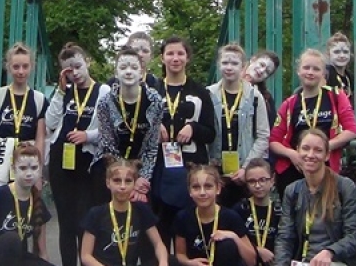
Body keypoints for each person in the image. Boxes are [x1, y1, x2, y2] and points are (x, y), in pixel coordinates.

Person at [45, 43, 110, 266]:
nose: (75, 73)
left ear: (87, 62)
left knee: (85, 221)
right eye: (69, 69)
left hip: (87, 164)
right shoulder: (65, 91)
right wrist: (60, 91)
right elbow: (50, 122)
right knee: (66, 222)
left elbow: (111, 129)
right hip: (61, 161)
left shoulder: (103, 91)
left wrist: (88, 135)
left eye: (78, 66)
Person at [274, 128, 356, 266]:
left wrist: (330, 252)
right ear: (297, 150)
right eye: (305, 148)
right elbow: (285, 237)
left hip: (338, 261)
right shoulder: (292, 191)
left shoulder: (344, 186)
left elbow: (355, 235)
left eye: (318, 150)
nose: (310, 155)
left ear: (327, 155)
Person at [152, 36, 216, 250]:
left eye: (180, 53)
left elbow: (211, 133)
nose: (175, 58)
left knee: (188, 230)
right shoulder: (152, 91)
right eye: (170, 53)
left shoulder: (200, 92)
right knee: (161, 229)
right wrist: (154, 127)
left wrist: (193, 128)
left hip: (191, 168)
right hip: (160, 169)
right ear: (162, 58)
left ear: (188, 58)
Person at [269, 48, 356, 200]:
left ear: (323, 74)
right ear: (298, 71)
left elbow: (352, 130)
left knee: (326, 210)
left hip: (326, 166)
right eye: (306, 68)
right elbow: (273, 141)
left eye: (316, 69)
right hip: (294, 169)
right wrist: (292, 154)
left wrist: (324, 148)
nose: (310, 72)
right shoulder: (290, 104)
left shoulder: (336, 97)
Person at [91, 47, 164, 204]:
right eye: (123, 67)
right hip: (110, 163)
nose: (129, 72)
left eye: (134, 67)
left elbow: (152, 146)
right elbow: (107, 144)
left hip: (142, 165)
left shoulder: (155, 101)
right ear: (116, 73)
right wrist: (127, 177)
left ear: (141, 72)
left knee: (144, 204)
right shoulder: (105, 102)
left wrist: (141, 178)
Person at [207, 43, 270, 207]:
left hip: (244, 171)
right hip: (216, 170)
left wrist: (247, 168)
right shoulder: (209, 94)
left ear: (243, 66)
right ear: (218, 64)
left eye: (234, 63)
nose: (229, 67)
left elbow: (263, 135)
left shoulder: (254, 96)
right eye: (225, 63)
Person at [80, 158, 169, 266]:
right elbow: (85, 255)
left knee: (172, 261)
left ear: (134, 183)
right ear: (108, 183)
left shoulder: (141, 210)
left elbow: (158, 243)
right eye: (117, 181)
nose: (122, 186)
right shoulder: (96, 214)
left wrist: (163, 262)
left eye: (128, 181)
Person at [0, 42, 48, 189]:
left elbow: (40, 139)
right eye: (16, 67)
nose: (21, 71)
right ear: (8, 67)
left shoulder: (39, 100)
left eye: (25, 66)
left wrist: (38, 175)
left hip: (27, 162)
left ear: (32, 67)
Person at [173, 164, 257, 266]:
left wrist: (234, 237)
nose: (202, 192)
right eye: (196, 187)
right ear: (190, 191)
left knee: (227, 245)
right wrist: (189, 263)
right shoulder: (183, 217)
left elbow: (251, 261)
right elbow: (180, 254)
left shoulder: (231, 217)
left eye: (208, 186)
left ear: (218, 189)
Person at [232, 158, 281, 265]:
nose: (257, 185)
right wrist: (256, 250)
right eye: (252, 181)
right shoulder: (240, 209)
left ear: (272, 180)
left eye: (262, 180)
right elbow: (233, 241)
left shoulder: (280, 211)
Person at [244, 50, 280, 129]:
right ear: (253, 59)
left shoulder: (266, 100)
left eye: (267, 71)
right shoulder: (228, 83)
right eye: (261, 64)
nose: (261, 71)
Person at [326, 32, 354, 101]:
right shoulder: (326, 74)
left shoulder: (349, 76)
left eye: (345, 52)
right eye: (336, 52)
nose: (342, 56)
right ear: (328, 54)